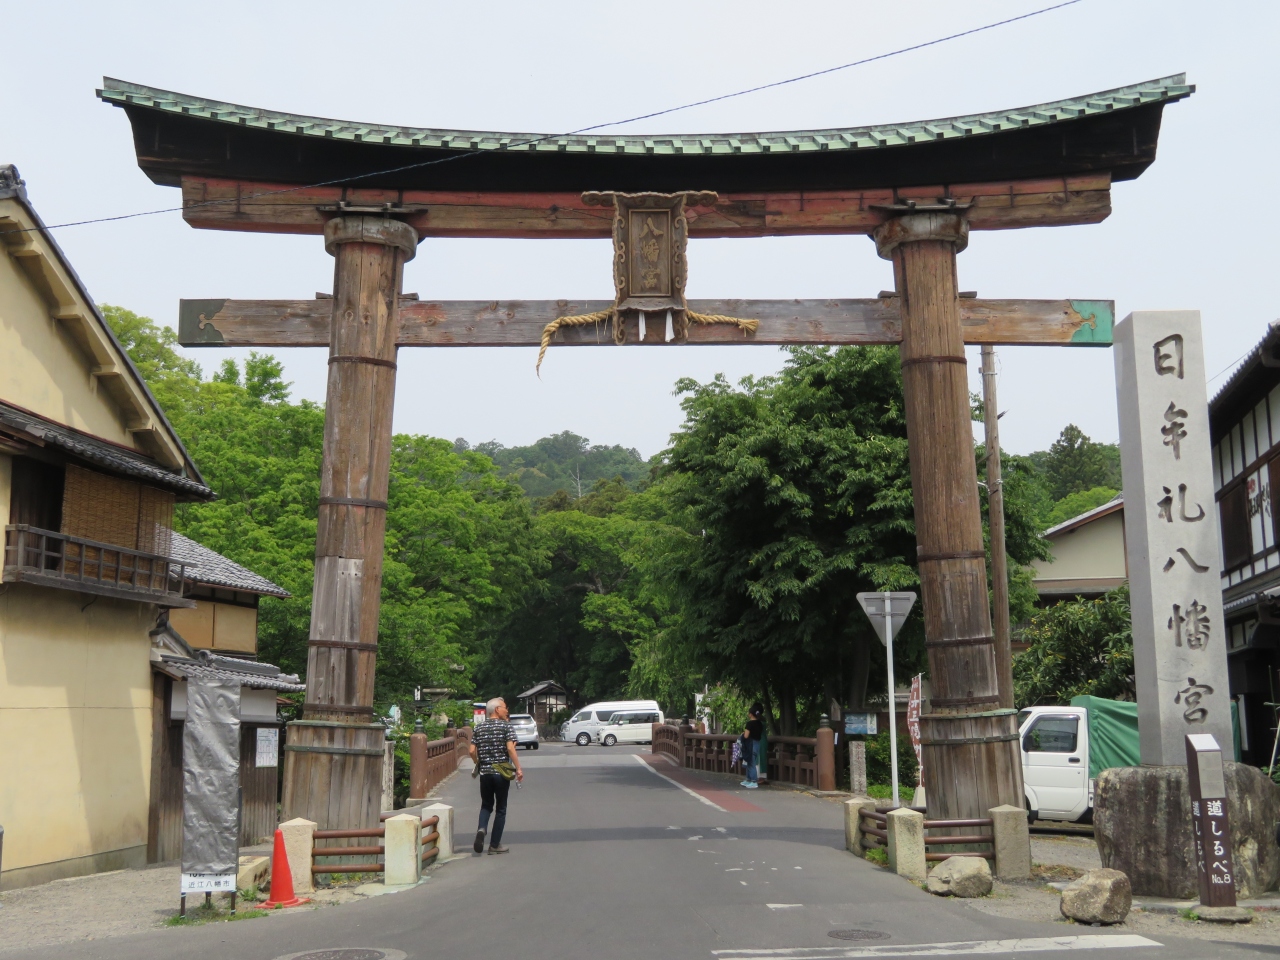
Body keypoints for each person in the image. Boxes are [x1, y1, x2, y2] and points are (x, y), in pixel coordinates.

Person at [468, 696, 524, 854]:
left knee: (486, 805)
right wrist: (518, 768)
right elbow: (511, 748)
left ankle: (481, 829)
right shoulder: (506, 726)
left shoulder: (479, 727)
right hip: (501, 773)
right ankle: (494, 845)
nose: (507, 711)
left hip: (485, 773)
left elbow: (471, 751)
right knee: (501, 808)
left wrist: (478, 762)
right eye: (505, 708)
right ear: (497, 710)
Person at [739, 703, 765, 789]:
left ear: (751, 714)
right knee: (750, 762)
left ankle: (753, 781)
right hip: (757, 744)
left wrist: (742, 735)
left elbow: (746, 736)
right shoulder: (760, 723)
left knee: (751, 763)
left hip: (750, 744)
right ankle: (748, 779)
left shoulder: (749, 724)